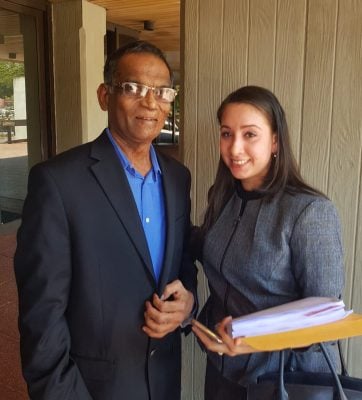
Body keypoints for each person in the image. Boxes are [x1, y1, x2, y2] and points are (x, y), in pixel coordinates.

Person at [14, 40, 197, 400]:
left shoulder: (178, 178)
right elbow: (41, 319)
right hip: (92, 388)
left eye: (162, 92)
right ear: (104, 96)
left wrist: (188, 305)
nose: (150, 102)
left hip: (163, 380)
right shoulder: (57, 181)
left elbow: (182, 262)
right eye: (133, 88)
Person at [191, 86, 344, 400]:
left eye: (250, 135)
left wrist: (256, 340)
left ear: (275, 141)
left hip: (284, 382)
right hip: (223, 373)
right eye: (226, 134)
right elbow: (208, 255)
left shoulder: (309, 212)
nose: (235, 148)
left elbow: (326, 322)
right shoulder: (222, 199)